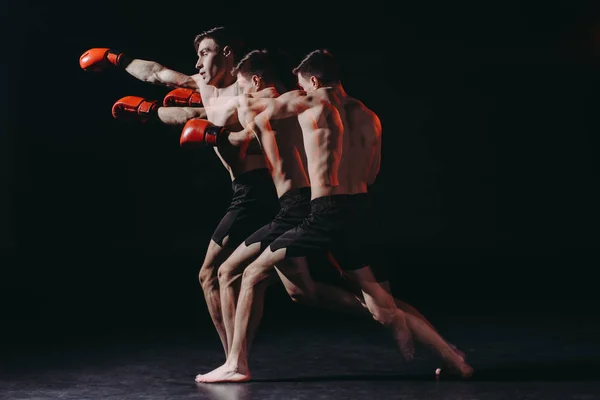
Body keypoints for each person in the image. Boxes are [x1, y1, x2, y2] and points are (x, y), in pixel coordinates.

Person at [196, 50, 474, 383]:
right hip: (362, 208)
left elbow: (256, 112)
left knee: (252, 272)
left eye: (303, 86)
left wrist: (209, 110)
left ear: (313, 82)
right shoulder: (367, 115)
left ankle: (236, 365)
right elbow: (371, 174)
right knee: (379, 301)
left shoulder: (307, 104)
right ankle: (452, 356)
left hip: (326, 211)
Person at [79, 26, 280, 357]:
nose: (198, 63)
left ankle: (234, 359)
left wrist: (154, 113)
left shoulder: (250, 92)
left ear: (228, 54)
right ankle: (395, 314)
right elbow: (158, 74)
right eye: (197, 55)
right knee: (303, 289)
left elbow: (210, 121)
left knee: (212, 275)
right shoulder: (205, 85)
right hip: (248, 190)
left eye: (205, 53)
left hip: (259, 189)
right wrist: (119, 60)